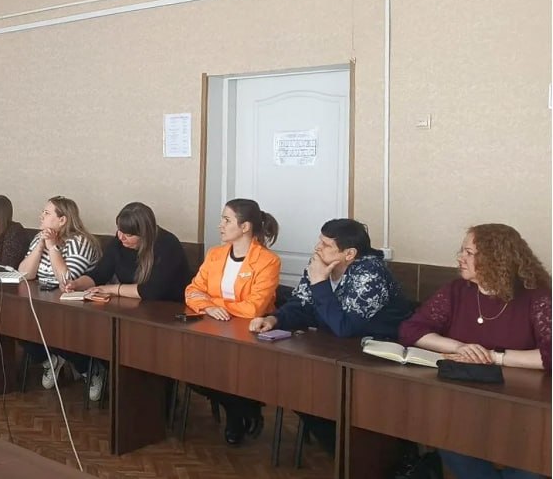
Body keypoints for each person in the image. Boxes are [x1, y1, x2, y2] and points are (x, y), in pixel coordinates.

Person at [399, 224, 551, 479]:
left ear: (495, 258)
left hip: (520, 403)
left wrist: (494, 357)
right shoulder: (457, 290)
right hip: (463, 397)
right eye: (462, 251)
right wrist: (460, 347)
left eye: (469, 253)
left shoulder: (535, 295)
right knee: (450, 439)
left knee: (530, 461)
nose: (460, 257)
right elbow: (411, 330)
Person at [249, 218, 412, 453]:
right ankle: (342, 449)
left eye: (326, 245)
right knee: (297, 390)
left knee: (326, 398)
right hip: (335, 349)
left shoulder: (371, 273)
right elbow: (301, 304)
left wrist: (319, 283)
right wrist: (275, 318)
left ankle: (362, 454)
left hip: (376, 358)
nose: (317, 248)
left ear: (349, 254)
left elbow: (346, 327)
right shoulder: (318, 264)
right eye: (320, 241)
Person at [66, 201, 192, 400]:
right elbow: (100, 273)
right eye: (119, 230)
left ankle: (158, 400)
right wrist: (77, 284)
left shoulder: (167, 245)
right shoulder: (119, 242)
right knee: (105, 341)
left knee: (144, 352)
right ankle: (127, 393)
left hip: (167, 315)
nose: (121, 237)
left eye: (128, 234)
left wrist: (111, 289)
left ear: (145, 234)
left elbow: (151, 291)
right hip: (134, 310)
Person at [185, 198, 280, 445]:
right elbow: (192, 290)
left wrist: (215, 303)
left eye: (227, 220)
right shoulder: (215, 254)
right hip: (212, 328)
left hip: (248, 336)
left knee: (229, 374)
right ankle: (243, 408)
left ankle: (237, 415)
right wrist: (208, 306)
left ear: (245, 226)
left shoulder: (267, 261)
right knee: (191, 372)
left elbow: (253, 308)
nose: (221, 225)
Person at [18, 196, 100, 391]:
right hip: (43, 300)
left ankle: (90, 370)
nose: (41, 216)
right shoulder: (40, 238)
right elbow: (24, 274)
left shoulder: (81, 242)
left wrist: (52, 247)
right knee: (17, 323)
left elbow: (67, 281)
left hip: (76, 307)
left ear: (62, 220)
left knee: (59, 332)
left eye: (47, 213)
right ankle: (50, 360)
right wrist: (40, 246)